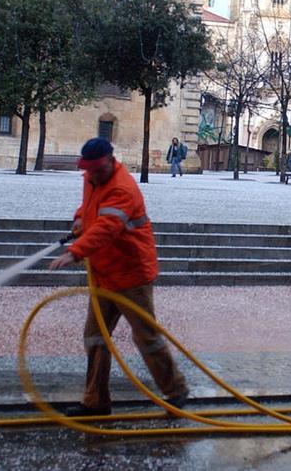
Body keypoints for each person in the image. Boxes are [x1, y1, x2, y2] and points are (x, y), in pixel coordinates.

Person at [49, 137, 188, 417]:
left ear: (111, 161)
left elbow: (107, 228)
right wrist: (79, 219)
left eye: (98, 170)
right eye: (89, 171)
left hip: (131, 274)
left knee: (146, 337)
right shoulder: (92, 178)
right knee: (95, 337)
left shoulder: (123, 188)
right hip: (104, 271)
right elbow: (90, 209)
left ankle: (176, 391)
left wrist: (75, 253)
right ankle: (96, 401)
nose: (93, 175)